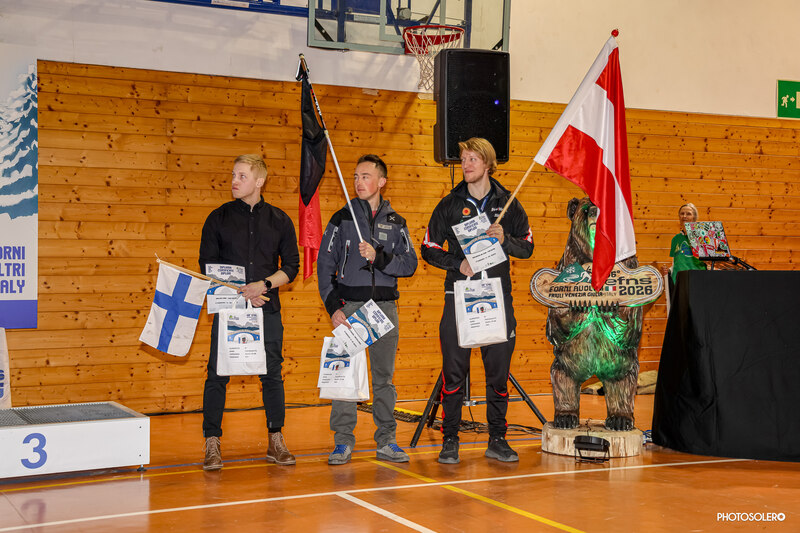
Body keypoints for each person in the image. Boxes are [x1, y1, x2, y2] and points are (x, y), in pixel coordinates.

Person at [421, 137, 533, 464]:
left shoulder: (508, 202)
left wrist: (505, 239)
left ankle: (498, 439)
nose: (466, 164)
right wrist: (458, 264)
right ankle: (450, 440)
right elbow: (428, 248)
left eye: (472, 159)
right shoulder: (449, 204)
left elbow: (527, 248)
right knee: (454, 372)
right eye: (463, 159)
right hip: (459, 296)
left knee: (497, 374)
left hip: (497, 297)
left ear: (487, 164)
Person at [199, 154, 300, 471]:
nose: (234, 180)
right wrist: (244, 293)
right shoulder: (217, 218)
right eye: (233, 174)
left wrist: (264, 285)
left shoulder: (280, 220)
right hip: (229, 309)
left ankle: (276, 438)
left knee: (272, 374)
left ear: (259, 181)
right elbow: (207, 267)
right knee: (217, 374)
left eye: (242, 176)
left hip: (267, 308)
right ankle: (212, 441)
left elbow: (292, 267)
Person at [317, 154, 418, 465]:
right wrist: (333, 307)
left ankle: (387, 440)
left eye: (365, 176)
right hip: (350, 308)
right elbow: (324, 265)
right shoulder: (342, 218)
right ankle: (343, 442)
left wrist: (379, 258)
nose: (358, 182)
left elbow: (410, 264)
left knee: (383, 379)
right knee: (344, 377)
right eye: (355, 177)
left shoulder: (396, 222)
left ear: (381, 181)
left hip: (384, 310)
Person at [659, 203, 706, 293]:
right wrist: (667, 271)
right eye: (682, 213)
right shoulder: (675, 239)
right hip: (678, 282)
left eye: (688, 214)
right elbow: (676, 263)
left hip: (697, 281)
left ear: (694, 217)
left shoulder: (701, 236)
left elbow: (708, 261)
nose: (684, 216)